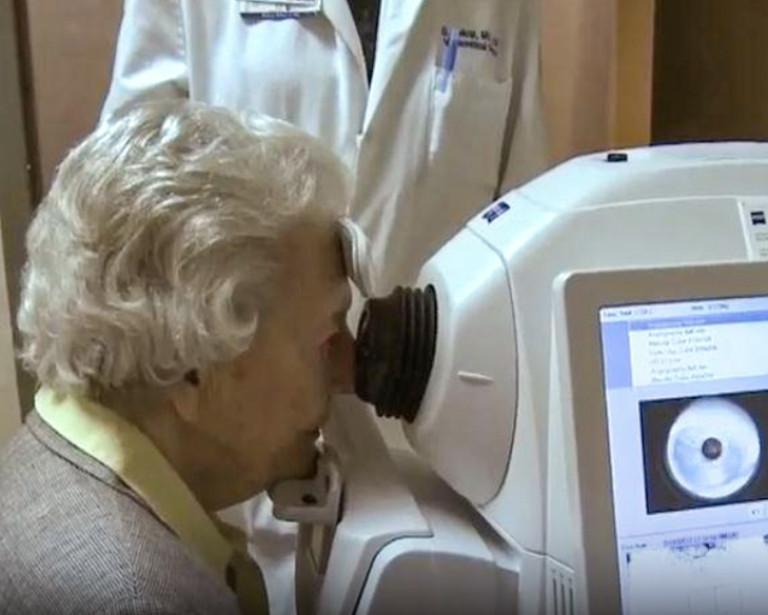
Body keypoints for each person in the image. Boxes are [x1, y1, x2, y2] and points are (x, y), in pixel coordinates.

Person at [0, 101, 355, 614]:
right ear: (193, 369)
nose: (347, 372)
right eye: (325, 341)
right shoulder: (136, 597)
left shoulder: (39, 463)